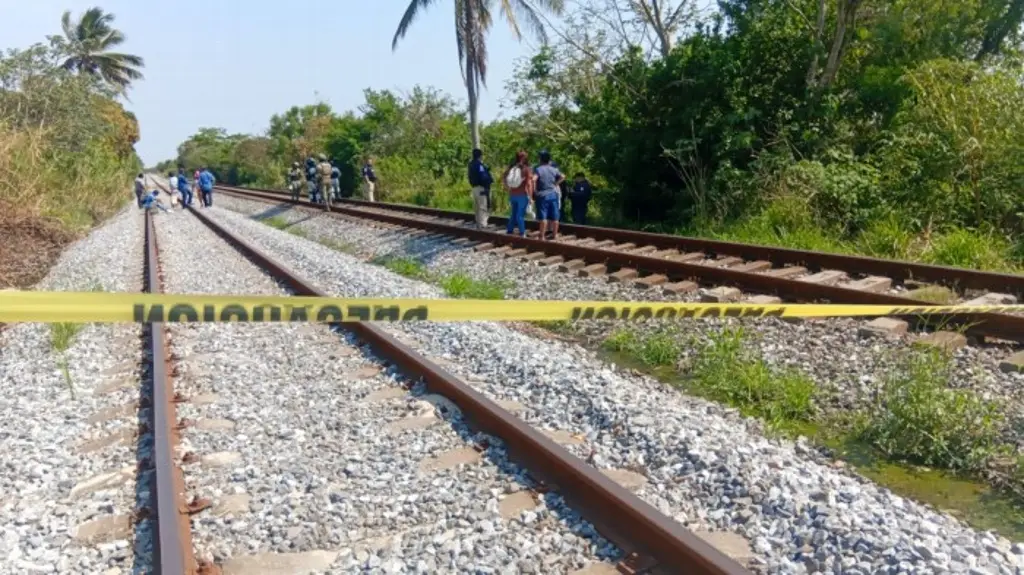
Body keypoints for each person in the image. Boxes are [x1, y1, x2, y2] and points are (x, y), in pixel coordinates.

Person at [532, 150, 564, 241]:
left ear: (540, 159)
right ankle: (555, 235)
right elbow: (563, 176)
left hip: (542, 195)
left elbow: (534, 179)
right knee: (555, 217)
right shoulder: (554, 169)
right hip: (553, 194)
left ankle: (542, 236)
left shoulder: (538, 169)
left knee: (543, 217)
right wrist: (555, 184)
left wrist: (535, 191)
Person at [501, 151, 533, 237]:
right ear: (525, 158)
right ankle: (522, 233)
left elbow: (503, 178)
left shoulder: (512, 167)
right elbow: (529, 184)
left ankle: (509, 231)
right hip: (522, 195)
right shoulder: (526, 169)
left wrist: (508, 188)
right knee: (520, 215)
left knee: (513, 214)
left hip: (512, 195)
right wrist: (530, 197)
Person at [467, 148, 493, 228]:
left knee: (477, 207)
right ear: (480, 156)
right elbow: (483, 177)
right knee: (483, 206)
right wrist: (489, 180)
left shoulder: (470, 165)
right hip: (481, 188)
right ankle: (483, 224)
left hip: (474, 188)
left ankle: (478, 223)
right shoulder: (480, 165)